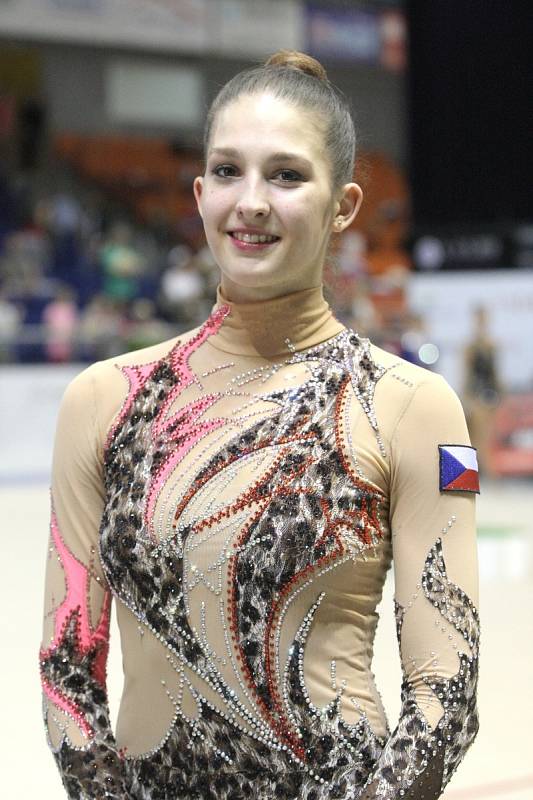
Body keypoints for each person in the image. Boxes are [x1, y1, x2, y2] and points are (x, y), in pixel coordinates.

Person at [39, 50, 480, 799]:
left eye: (285, 175)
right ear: (199, 191)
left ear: (342, 205)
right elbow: (65, 670)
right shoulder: (103, 399)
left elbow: (447, 689)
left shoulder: (416, 407)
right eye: (228, 171)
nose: (251, 201)